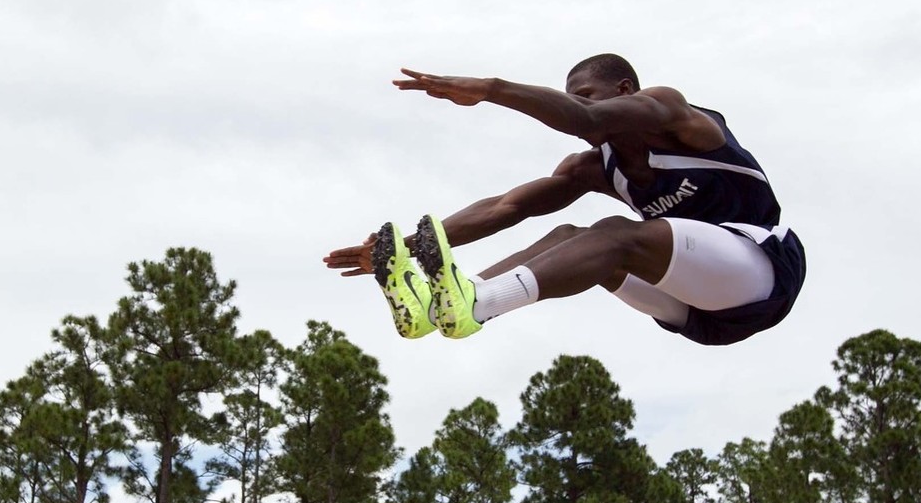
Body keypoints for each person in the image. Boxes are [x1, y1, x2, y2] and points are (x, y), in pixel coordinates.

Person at [323, 55, 806, 345]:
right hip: (696, 312)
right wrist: (399, 249)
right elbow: (507, 207)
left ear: (625, 92)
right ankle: (443, 308)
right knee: (570, 236)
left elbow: (585, 120)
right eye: (573, 96)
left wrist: (492, 90)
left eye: (587, 95)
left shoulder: (677, 117)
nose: (579, 103)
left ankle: (478, 303)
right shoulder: (595, 167)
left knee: (615, 235)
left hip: (763, 272)